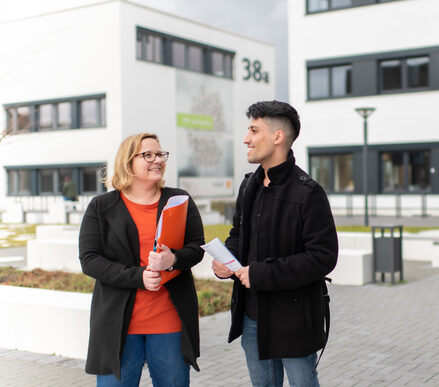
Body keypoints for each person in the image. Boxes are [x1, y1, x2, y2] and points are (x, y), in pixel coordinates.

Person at [212, 101, 338, 386]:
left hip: (293, 318)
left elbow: (322, 257)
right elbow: (238, 233)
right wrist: (226, 259)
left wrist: (259, 273)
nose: (246, 138)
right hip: (251, 316)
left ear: (278, 137)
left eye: (254, 130)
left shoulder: (309, 193)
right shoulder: (248, 186)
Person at [79, 133, 205, 386]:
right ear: (128, 162)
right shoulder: (101, 206)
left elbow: (197, 248)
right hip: (118, 325)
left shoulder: (178, 200)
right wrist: (138, 277)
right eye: (147, 154)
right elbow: (90, 259)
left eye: (160, 154)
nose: (157, 159)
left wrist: (173, 259)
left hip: (169, 322)